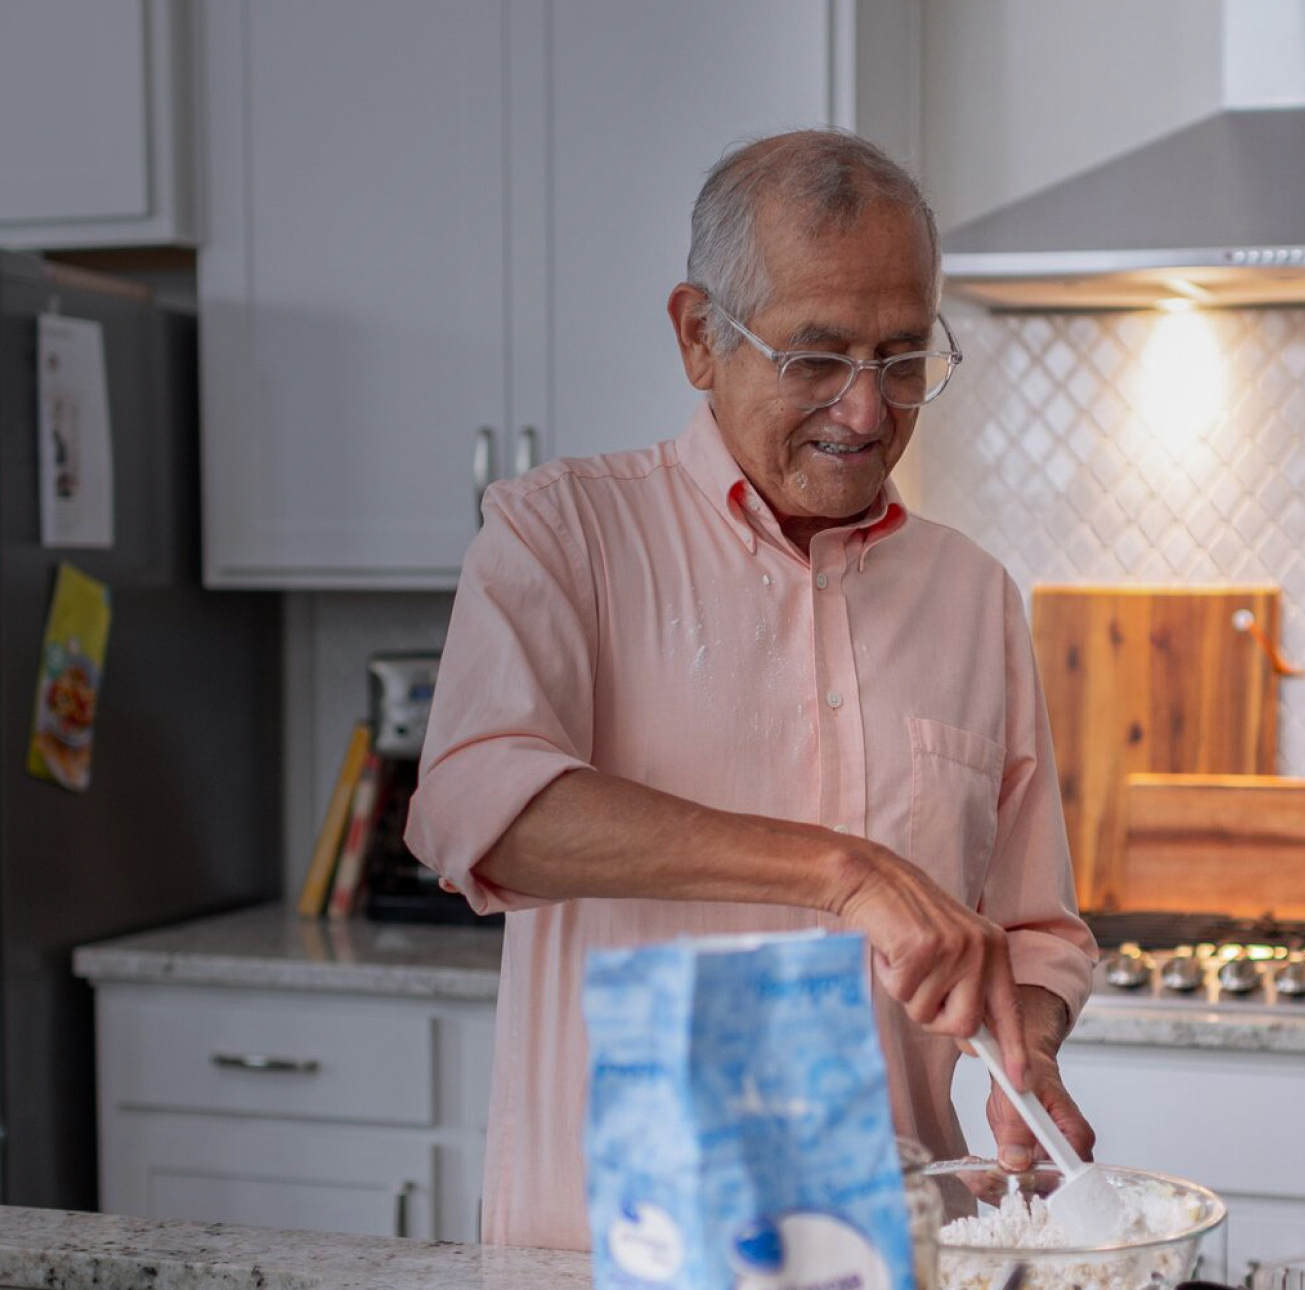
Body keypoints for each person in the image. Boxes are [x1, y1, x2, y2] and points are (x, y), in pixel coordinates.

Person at [405, 130, 1099, 1251]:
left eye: (902, 357)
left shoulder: (972, 596)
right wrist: (845, 873)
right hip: (607, 1255)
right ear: (696, 336)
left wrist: (1024, 1044)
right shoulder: (560, 534)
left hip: (891, 1242)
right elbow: (478, 806)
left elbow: (1030, 928)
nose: (868, 414)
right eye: (817, 358)